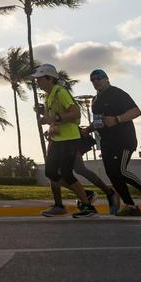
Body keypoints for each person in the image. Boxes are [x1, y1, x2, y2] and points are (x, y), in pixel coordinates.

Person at [32, 64, 96, 218]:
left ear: (49, 78)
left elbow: (75, 113)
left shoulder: (61, 92)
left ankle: (87, 206)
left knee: (66, 172)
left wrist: (55, 118)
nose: (37, 82)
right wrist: (48, 122)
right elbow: (55, 118)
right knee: (50, 172)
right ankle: (84, 194)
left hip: (70, 138)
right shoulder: (49, 96)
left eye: (40, 79)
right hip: (58, 138)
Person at [90, 69, 141, 216]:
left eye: (98, 78)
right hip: (107, 142)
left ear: (106, 79)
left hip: (124, 140)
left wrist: (117, 119)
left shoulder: (117, 93)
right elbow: (98, 121)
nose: (95, 81)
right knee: (112, 174)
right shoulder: (95, 100)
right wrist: (86, 130)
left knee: (120, 170)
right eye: (92, 80)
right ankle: (130, 206)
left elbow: (136, 111)